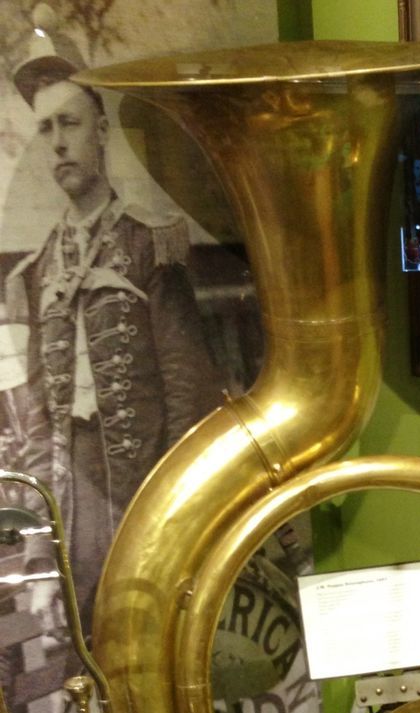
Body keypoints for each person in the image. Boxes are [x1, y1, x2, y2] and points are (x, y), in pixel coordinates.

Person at [6, 54, 223, 635]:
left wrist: (178, 521)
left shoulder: (150, 243)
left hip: (144, 488)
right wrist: (37, 553)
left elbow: (188, 391)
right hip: (73, 502)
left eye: (69, 123)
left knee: (152, 646)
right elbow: (37, 425)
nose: (57, 143)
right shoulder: (34, 272)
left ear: (101, 132)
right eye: (45, 128)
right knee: (89, 655)